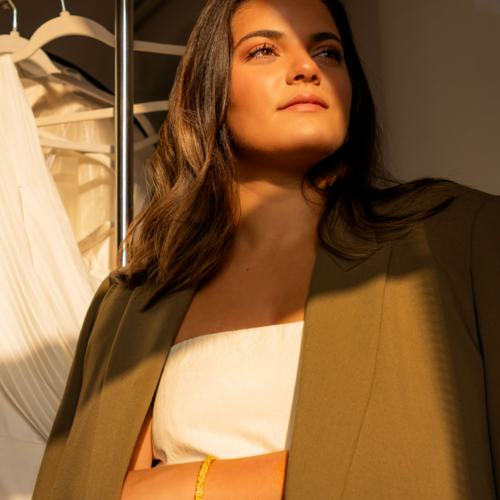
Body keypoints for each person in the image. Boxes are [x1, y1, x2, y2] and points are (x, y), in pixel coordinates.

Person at [32, 0, 500, 498]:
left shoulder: (455, 236)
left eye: (328, 52)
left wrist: (199, 482)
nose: (307, 68)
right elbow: (98, 489)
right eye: (263, 51)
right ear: (209, 91)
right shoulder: (131, 303)